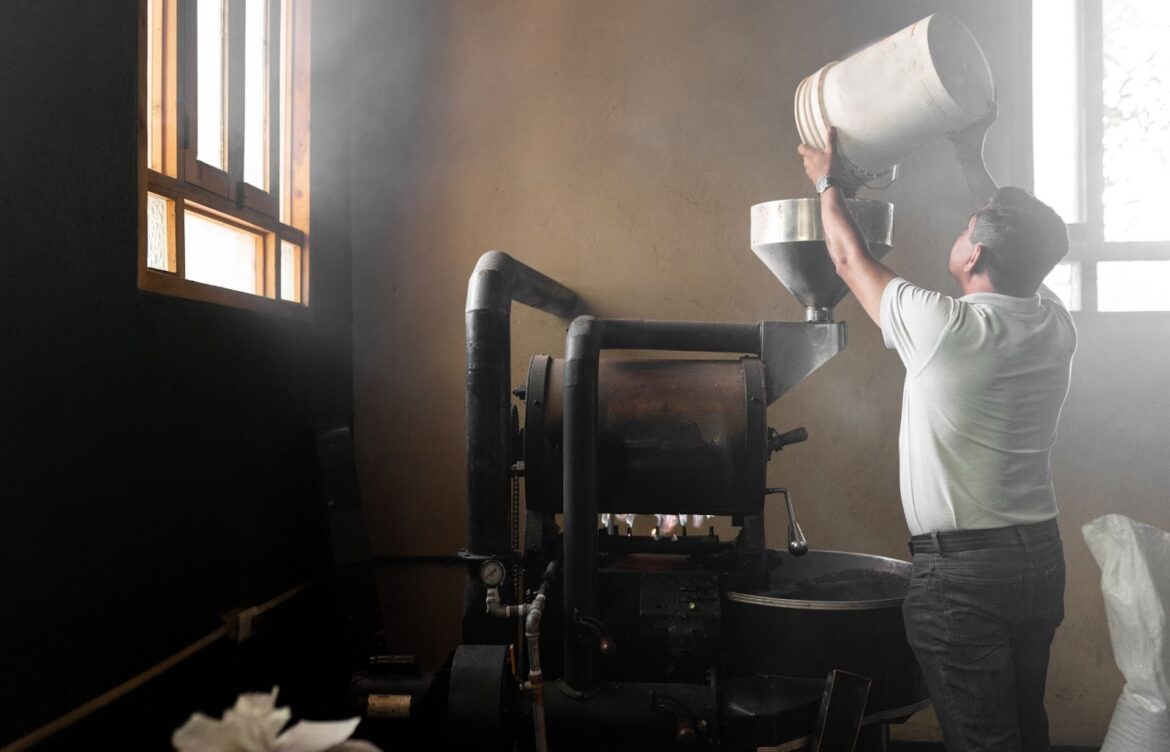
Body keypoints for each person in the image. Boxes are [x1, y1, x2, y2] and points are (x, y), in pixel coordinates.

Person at [797, 111, 1076, 752]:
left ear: (973, 254)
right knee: (1026, 731)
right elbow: (1021, 241)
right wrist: (972, 157)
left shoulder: (945, 328)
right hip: (1038, 561)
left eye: (965, 228)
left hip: (964, 578)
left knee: (985, 743)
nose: (960, 228)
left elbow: (846, 256)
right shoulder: (1053, 321)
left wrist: (825, 182)